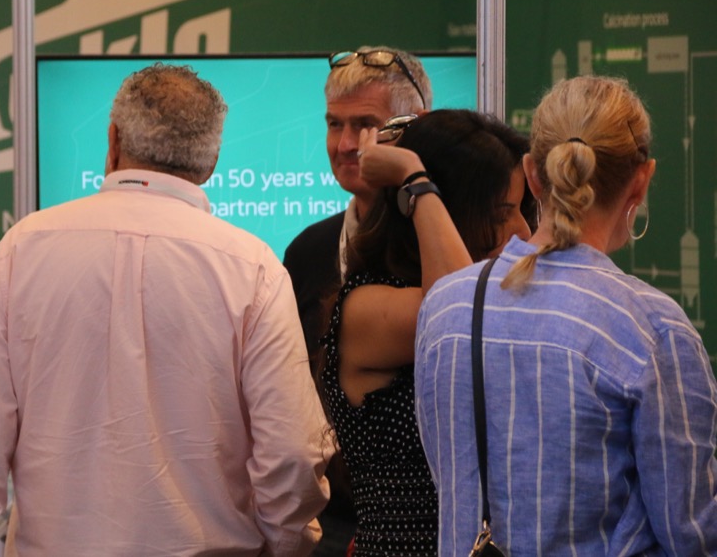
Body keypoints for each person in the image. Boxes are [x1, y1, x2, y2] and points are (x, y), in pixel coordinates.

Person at [0, 63, 332, 556]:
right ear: (211, 163)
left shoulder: (24, 249)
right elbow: (292, 451)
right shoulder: (253, 268)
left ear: (113, 140)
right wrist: (285, 546)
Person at [415, 76, 717, 555]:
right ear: (642, 180)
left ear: (533, 175)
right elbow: (692, 536)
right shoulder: (654, 331)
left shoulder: (445, 307)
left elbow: (453, 480)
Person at [317, 109, 533, 556]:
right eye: (502, 213)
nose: (523, 231)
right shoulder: (366, 305)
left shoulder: (478, 295)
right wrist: (414, 179)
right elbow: (455, 312)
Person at [282, 46, 433, 553]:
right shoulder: (308, 251)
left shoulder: (447, 249)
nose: (345, 144)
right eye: (334, 124)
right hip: (325, 523)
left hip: (423, 526)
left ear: (414, 128)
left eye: (366, 125)